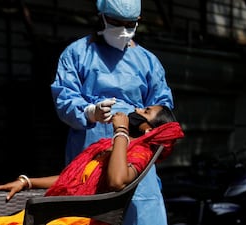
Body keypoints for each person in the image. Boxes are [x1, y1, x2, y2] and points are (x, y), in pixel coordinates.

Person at [50, 0, 174, 224]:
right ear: (102, 17)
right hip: (90, 152)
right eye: (117, 22)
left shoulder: (148, 62)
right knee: (86, 210)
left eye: (130, 24)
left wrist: (136, 128)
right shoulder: (77, 54)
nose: (124, 30)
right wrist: (89, 112)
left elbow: (162, 113)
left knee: (141, 213)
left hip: (135, 159)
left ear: (138, 22)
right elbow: (64, 98)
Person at [0, 106, 184, 225]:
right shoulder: (113, 148)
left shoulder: (140, 152)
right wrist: (26, 182)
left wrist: (121, 130)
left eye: (145, 111)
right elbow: (72, 180)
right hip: (59, 214)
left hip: (79, 219)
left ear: (149, 130)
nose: (137, 109)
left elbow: (116, 181)